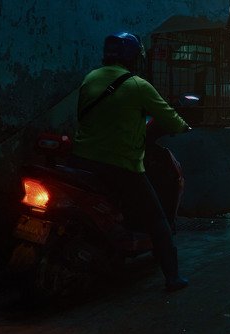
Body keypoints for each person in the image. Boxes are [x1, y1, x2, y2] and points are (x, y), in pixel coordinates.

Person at [69, 32, 189, 292]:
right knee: (157, 217)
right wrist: (184, 126)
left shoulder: (90, 78)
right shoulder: (137, 85)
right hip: (121, 165)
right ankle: (172, 277)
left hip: (82, 160)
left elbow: (82, 115)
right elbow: (170, 119)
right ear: (134, 58)